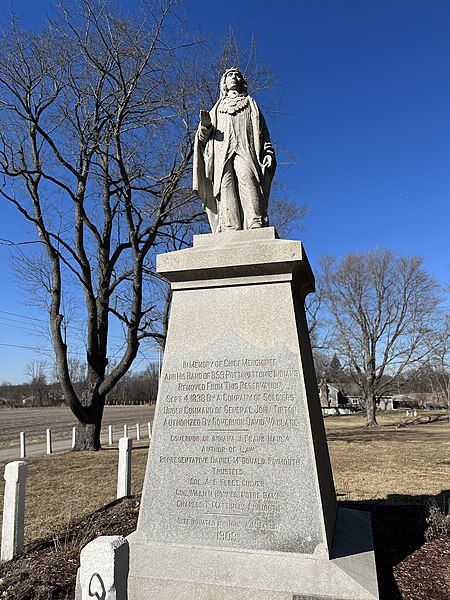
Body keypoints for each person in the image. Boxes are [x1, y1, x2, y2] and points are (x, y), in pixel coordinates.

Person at [193, 68, 276, 233]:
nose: (234, 78)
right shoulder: (217, 107)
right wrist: (206, 125)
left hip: (246, 149)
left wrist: (268, 152)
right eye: (230, 75)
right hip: (221, 152)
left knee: (248, 179)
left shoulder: (250, 103)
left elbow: (263, 132)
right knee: (225, 185)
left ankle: (255, 222)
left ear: (242, 82)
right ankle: (230, 226)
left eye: (237, 75)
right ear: (224, 82)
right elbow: (202, 139)